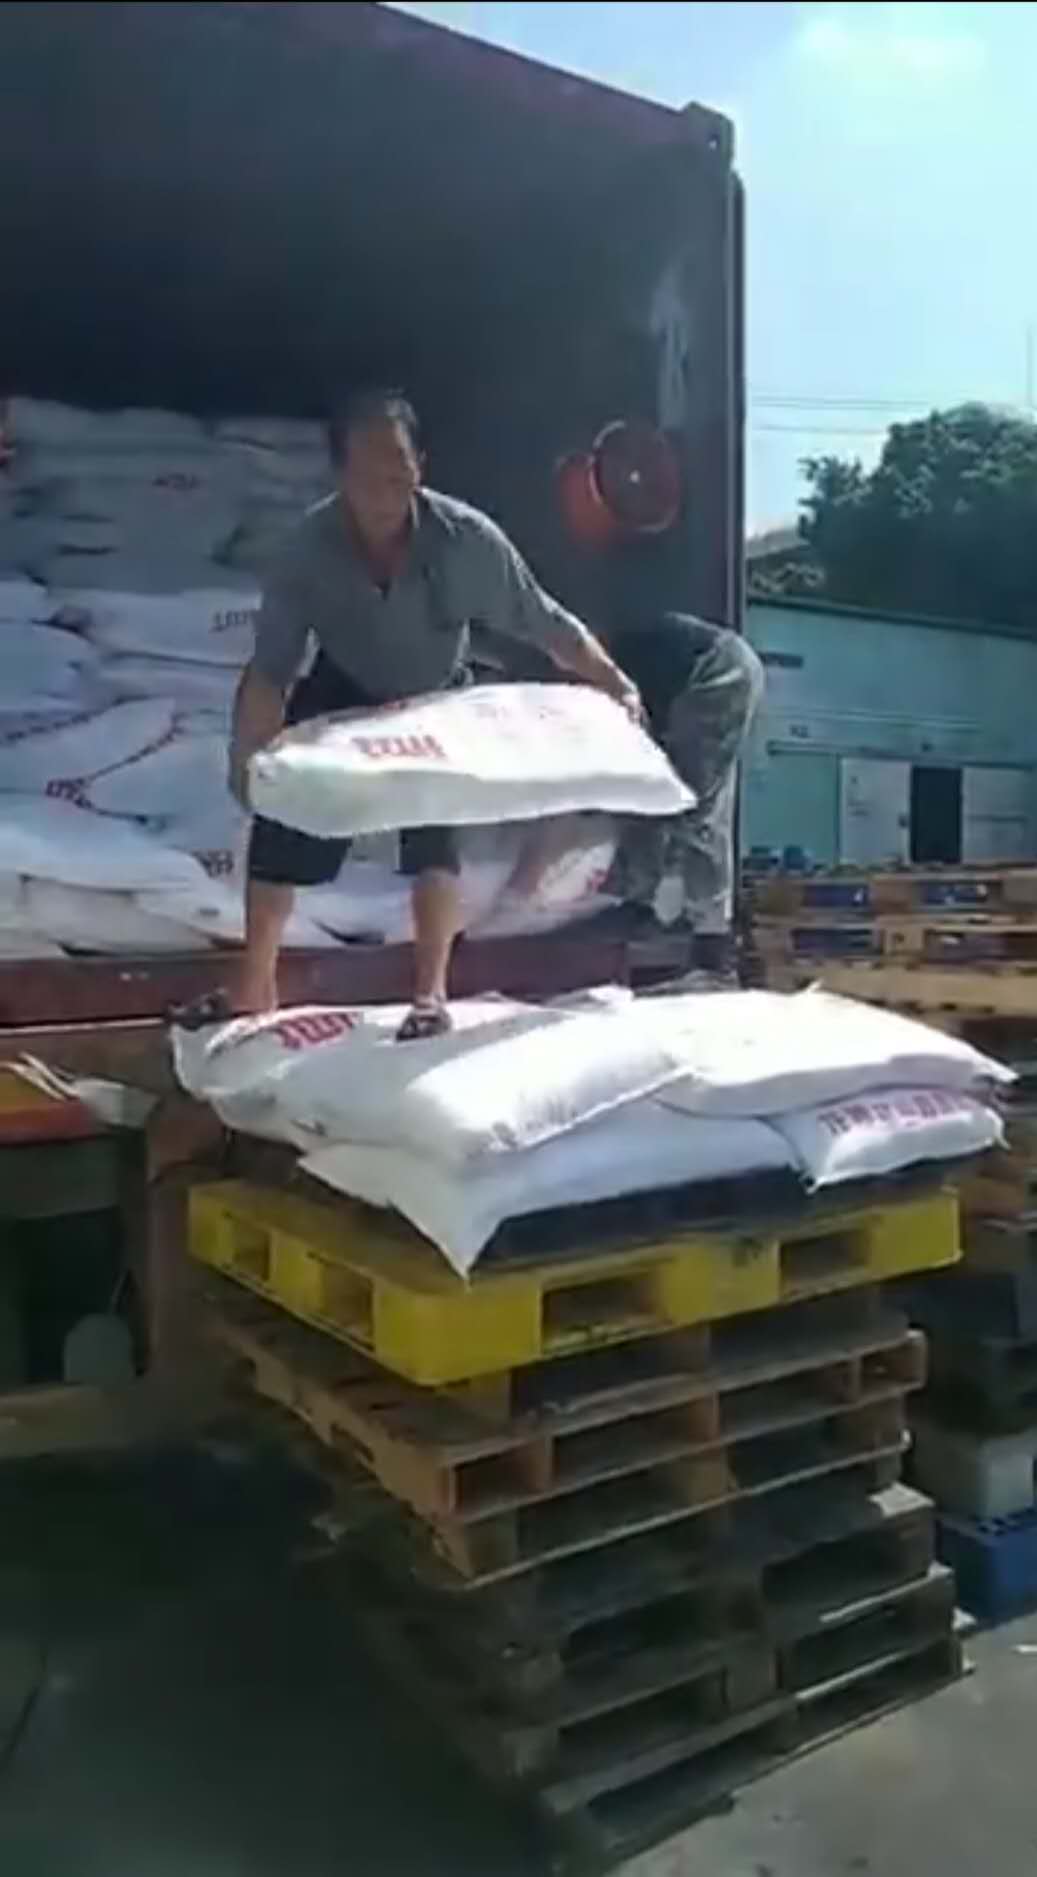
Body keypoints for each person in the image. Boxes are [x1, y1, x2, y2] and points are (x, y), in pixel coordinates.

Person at [229, 388, 641, 1039]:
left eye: (398, 466)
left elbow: (543, 621)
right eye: (367, 469)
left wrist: (614, 683)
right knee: (281, 825)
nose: (384, 485)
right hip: (342, 686)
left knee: (434, 842)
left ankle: (429, 995)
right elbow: (271, 669)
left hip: (434, 692)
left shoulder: (465, 541)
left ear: (420, 464)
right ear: (340, 473)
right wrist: (250, 756)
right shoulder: (305, 550)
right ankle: (255, 986)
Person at [607, 612, 764, 976]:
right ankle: (640, 903)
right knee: (658, 794)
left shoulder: (601, 665)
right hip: (707, 672)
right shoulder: (619, 654)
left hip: (716, 671)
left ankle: (709, 933)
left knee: (694, 800)